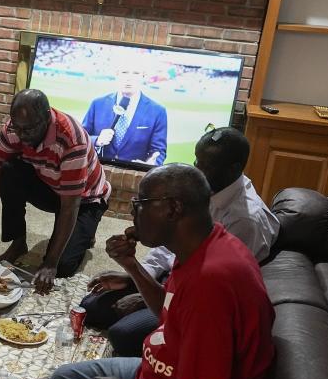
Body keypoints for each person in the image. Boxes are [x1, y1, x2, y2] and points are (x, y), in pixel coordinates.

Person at [23, 163, 275, 379]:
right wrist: (130, 265)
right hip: (164, 373)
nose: (132, 214)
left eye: (139, 205)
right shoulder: (201, 245)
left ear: (173, 209)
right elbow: (168, 311)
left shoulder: (213, 280)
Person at [82, 127, 280, 356]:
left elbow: (209, 290)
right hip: (178, 278)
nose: (198, 168)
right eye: (197, 159)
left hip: (200, 300)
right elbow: (172, 246)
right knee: (91, 307)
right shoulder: (203, 189)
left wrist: (141, 297)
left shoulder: (245, 220)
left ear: (234, 168)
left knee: (122, 334)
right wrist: (138, 275)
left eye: (206, 165)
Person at [0, 89, 111, 291]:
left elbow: (70, 205)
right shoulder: (13, 130)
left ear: (46, 119)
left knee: (63, 266)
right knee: (8, 170)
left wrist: (50, 263)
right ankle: (18, 242)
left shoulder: (71, 139)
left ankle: (86, 232)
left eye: (28, 130)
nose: (21, 136)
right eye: (17, 128)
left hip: (84, 199)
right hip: (50, 186)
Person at [81, 64, 167, 166]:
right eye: (124, 72)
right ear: (117, 74)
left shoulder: (157, 111)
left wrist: (151, 164)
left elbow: (158, 151)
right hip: (98, 172)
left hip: (133, 176)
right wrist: (97, 141)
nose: (129, 78)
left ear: (143, 76)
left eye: (135, 73)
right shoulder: (98, 104)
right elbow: (81, 139)